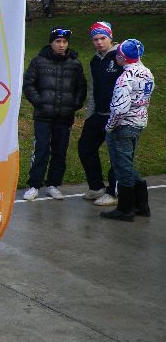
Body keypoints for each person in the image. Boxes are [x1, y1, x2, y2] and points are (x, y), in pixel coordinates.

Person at [22, 28, 87, 201]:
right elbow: (28, 84)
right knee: (41, 149)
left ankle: (53, 184)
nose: (61, 45)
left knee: (60, 151)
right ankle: (34, 185)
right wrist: (39, 101)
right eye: (58, 41)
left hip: (64, 117)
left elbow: (81, 88)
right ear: (51, 42)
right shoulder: (38, 61)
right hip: (43, 115)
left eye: (64, 42)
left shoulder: (75, 64)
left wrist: (73, 105)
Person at [100, 39, 154, 222]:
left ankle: (125, 209)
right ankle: (141, 204)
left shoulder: (125, 78)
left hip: (123, 127)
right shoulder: (147, 73)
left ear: (122, 57)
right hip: (139, 123)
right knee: (128, 163)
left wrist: (110, 126)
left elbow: (119, 108)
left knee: (122, 167)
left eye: (118, 54)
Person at [78, 22, 123, 206]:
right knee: (85, 147)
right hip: (98, 113)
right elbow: (93, 88)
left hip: (117, 115)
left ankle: (114, 192)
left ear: (110, 37)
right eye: (95, 39)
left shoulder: (122, 55)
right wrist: (90, 113)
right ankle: (96, 187)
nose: (99, 42)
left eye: (103, 38)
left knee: (116, 154)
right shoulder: (94, 60)